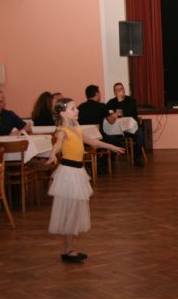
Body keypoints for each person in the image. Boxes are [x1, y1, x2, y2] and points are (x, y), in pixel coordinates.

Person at [46, 98, 125, 263]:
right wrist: (53, 154)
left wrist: (111, 147)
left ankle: (69, 249)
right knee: (69, 212)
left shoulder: (76, 129)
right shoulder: (62, 131)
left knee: (73, 213)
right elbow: (58, 144)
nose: (77, 110)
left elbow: (93, 142)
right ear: (63, 113)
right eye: (73, 108)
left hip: (77, 172)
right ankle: (68, 250)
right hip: (68, 175)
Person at [105, 82, 145, 166]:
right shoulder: (111, 102)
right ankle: (111, 157)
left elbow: (128, 113)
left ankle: (137, 156)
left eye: (121, 89)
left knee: (140, 135)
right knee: (109, 137)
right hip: (117, 129)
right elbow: (107, 114)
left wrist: (120, 102)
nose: (120, 91)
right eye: (117, 90)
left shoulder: (131, 100)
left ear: (124, 90)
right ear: (114, 92)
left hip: (131, 128)